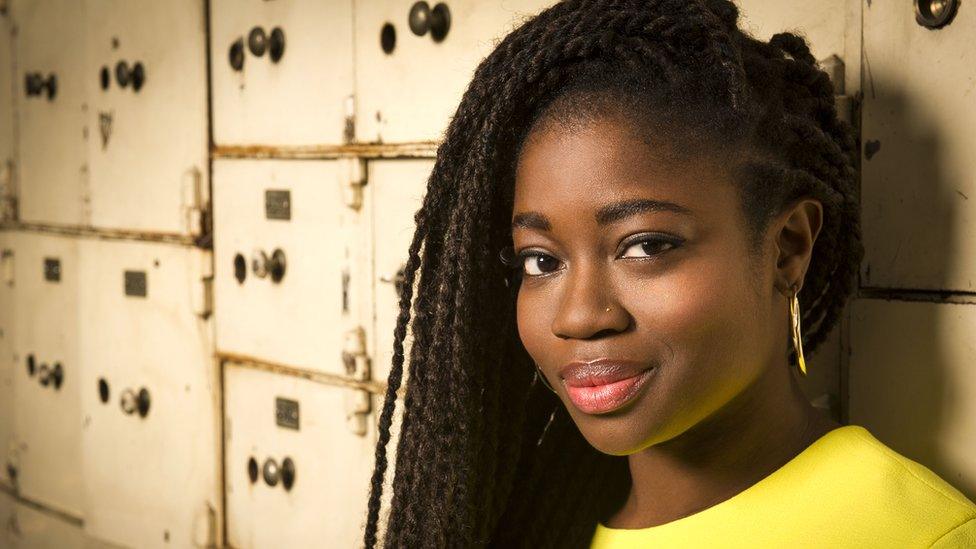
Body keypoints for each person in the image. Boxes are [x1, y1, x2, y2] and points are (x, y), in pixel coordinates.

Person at [362, 0, 976, 547]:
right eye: (541, 261)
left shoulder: (917, 535)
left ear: (787, 250)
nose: (579, 315)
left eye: (645, 246)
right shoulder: (523, 518)